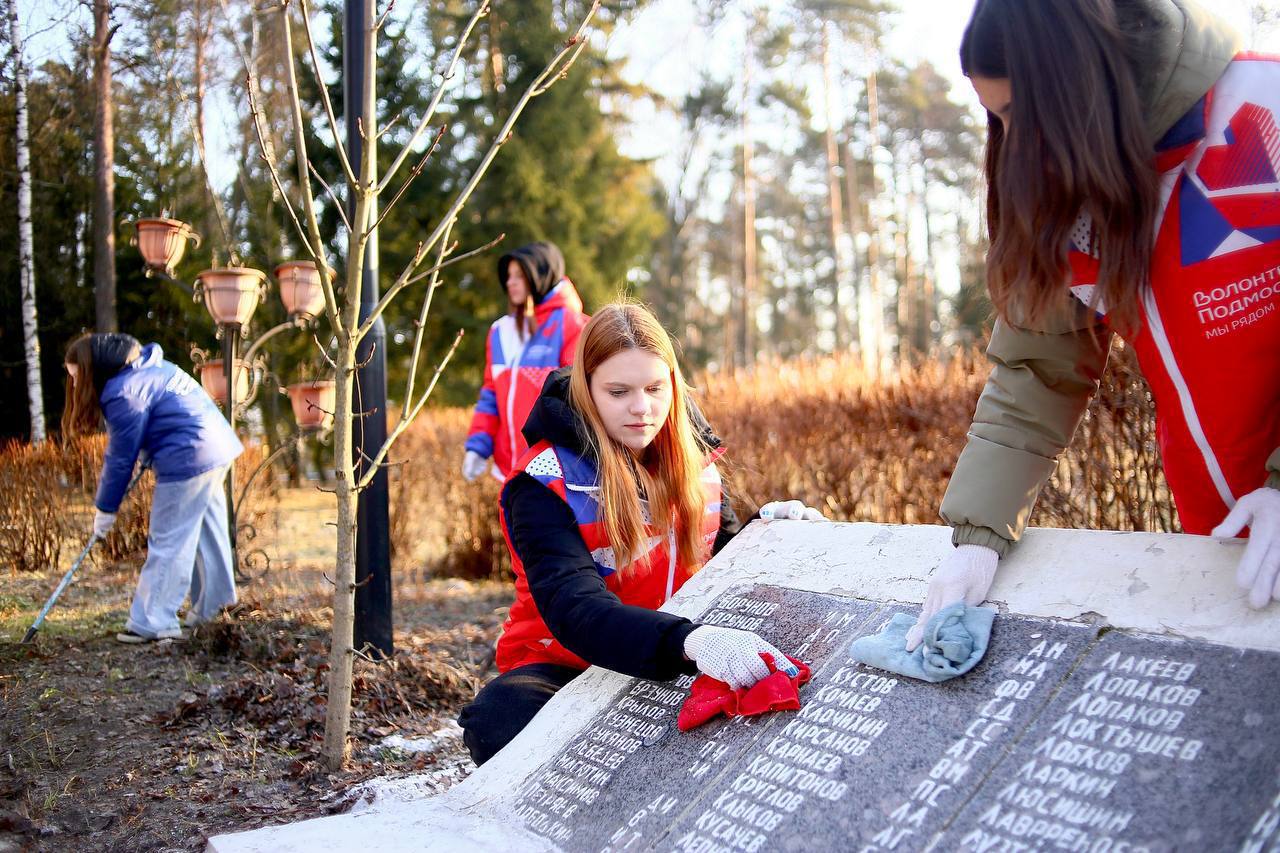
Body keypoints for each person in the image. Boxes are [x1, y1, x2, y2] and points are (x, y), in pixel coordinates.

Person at [911, 0, 1280, 651]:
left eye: (1022, 116)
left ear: (1082, 77)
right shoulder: (1075, 195)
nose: (1016, 145)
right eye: (998, 121)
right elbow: (1038, 371)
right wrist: (979, 535)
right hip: (1230, 554)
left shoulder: (1264, 103)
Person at [457, 303, 825, 765]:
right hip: (571, 662)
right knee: (500, 721)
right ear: (586, 391)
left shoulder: (695, 461)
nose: (641, 408)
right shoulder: (543, 483)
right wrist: (687, 642)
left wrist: (774, 537)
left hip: (679, 649)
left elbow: (724, 558)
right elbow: (576, 611)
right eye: (618, 391)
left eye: (655, 388)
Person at [62, 333, 243, 643]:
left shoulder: (124, 392)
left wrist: (105, 508)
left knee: (169, 538)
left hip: (189, 456)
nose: (75, 385)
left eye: (77, 376)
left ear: (93, 370)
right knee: (206, 532)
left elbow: (120, 458)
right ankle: (215, 608)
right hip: (216, 447)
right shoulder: (152, 369)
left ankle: (153, 620)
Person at [463, 241, 589, 482]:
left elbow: (578, 404)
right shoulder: (500, 330)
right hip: (507, 470)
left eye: (519, 275)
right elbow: (491, 394)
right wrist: (478, 446)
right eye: (509, 276)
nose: (510, 282)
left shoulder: (575, 326)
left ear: (540, 274)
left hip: (553, 474)